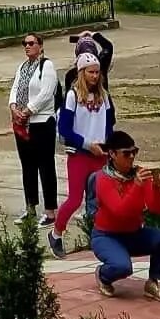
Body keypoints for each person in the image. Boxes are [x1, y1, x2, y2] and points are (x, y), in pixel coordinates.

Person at [85, 130, 160, 301]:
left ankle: (152, 283)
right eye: (126, 153)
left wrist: (157, 188)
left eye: (135, 151)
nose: (132, 156)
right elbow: (120, 211)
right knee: (122, 267)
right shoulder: (103, 179)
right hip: (106, 236)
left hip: (133, 233)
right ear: (112, 154)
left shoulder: (139, 175)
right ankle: (103, 275)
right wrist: (137, 186)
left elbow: (156, 209)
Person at [50, 52, 116, 257]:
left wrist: (109, 147)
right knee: (75, 199)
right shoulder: (72, 96)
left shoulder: (104, 96)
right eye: (91, 72)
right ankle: (57, 233)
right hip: (80, 155)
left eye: (97, 72)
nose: (95, 76)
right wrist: (87, 144)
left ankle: (104, 237)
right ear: (82, 73)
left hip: (101, 155)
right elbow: (65, 129)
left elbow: (109, 125)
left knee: (104, 198)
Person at [9, 32, 60, 224]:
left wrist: (29, 110)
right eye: (25, 43)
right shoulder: (22, 67)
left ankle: (50, 211)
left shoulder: (46, 66)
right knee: (27, 166)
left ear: (40, 45)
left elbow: (47, 92)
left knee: (45, 166)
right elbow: (15, 88)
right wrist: (14, 107)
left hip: (41, 122)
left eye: (31, 43)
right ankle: (30, 207)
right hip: (23, 124)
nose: (27, 46)